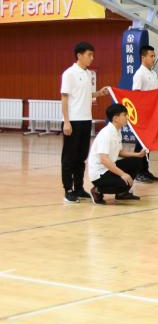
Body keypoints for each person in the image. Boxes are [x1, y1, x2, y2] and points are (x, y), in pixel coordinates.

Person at [60, 42, 111, 203]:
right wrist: (66, 121)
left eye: (92, 55)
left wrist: (99, 93)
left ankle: (79, 187)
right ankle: (68, 190)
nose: (92, 58)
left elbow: (87, 94)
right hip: (73, 121)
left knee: (81, 157)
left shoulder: (89, 74)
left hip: (86, 120)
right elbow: (64, 98)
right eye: (89, 55)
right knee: (69, 157)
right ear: (79, 55)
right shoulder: (69, 73)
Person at [87, 103, 148, 204]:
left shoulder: (117, 131)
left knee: (136, 161)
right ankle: (97, 190)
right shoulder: (106, 134)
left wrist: (137, 155)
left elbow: (119, 152)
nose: (127, 117)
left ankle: (122, 194)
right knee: (124, 183)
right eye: (124, 115)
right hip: (100, 174)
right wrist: (123, 174)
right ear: (116, 118)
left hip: (109, 168)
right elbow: (104, 159)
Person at [129, 44, 158, 183]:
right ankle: (137, 171)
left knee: (148, 143)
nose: (153, 58)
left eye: (154, 56)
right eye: (151, 56)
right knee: (141, 144)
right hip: (143, 115)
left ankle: (145, 170)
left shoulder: (153, 74)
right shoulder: (139, 74)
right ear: (143, 57)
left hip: (152, 114)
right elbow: (136, 96)